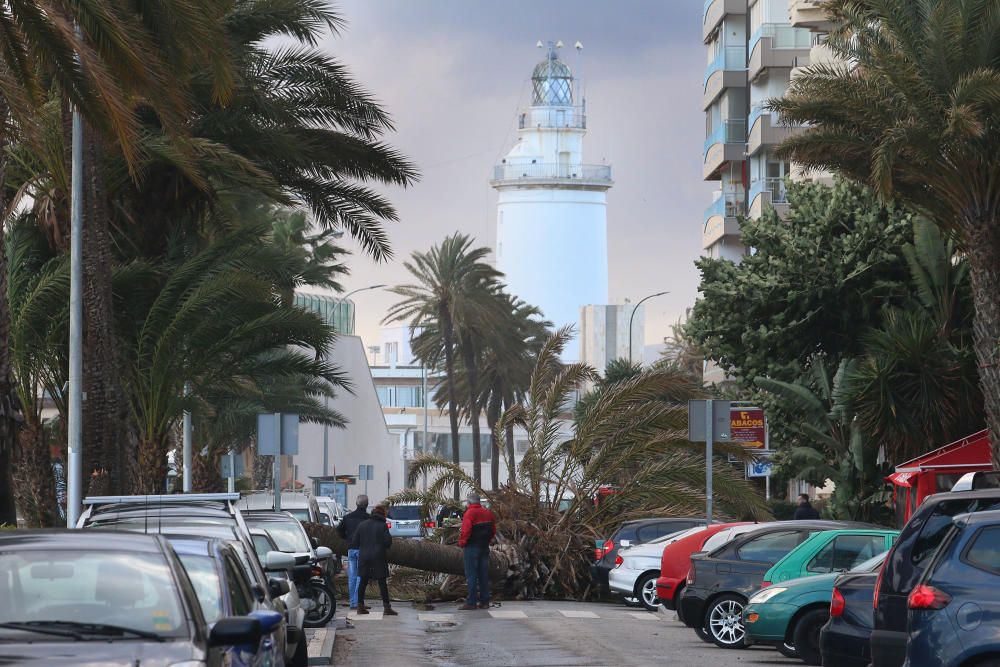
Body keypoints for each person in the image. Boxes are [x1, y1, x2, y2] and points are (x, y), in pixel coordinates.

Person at [350, 505, 396, 616]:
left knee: (363, 582)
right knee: (382, 583)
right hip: (378, 557)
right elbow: (388, 542)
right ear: (382, 515)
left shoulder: (362, 525)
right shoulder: (383, 526)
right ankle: (387, 608)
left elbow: (355, 542)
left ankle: (360, 606)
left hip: (364, 557)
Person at [458, 492, 496, 610]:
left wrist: (462, 543)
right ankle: (485, 602)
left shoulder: (469, 513)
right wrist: (487, 541)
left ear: (469, 502)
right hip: (484, 547)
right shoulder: (487, 512)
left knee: (472, 575)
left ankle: (471, 602)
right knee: (483, 574)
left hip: (471, 548)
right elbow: (493, 530)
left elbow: (466, 531)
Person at [337, 494, 369, 610]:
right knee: (361, 576)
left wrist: (347, 538)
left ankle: (353, 603)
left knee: (352, 577)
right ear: (366, 505)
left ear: (356, 504)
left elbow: (339, 530)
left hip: (351, 549)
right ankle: (359, 602)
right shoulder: (368, 518)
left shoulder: (347, 517)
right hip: (363, 550)